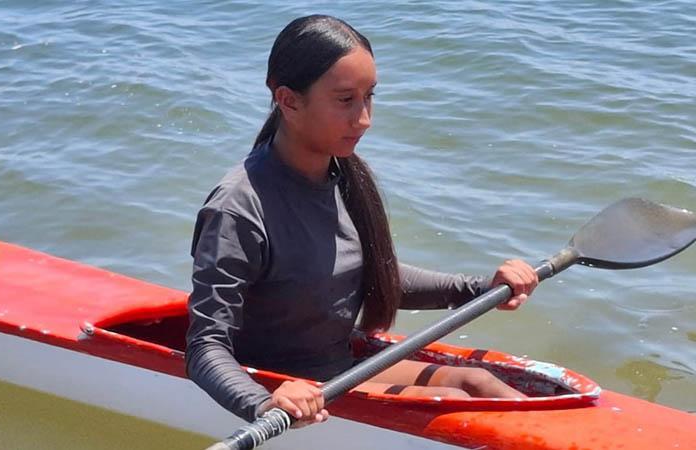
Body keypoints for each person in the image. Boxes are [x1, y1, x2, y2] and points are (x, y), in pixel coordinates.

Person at [185, 14, 540, 428]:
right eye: (345, 100)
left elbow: (368, 275)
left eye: (369, 97)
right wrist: (263, 404)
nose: (365, 118)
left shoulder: (343, 176)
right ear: (288, 100)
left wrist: (480, 288)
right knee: (449, 397)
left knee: (477, 381)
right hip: (286, 389)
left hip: (337, 368)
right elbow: (205, 346)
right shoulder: (239, 207)